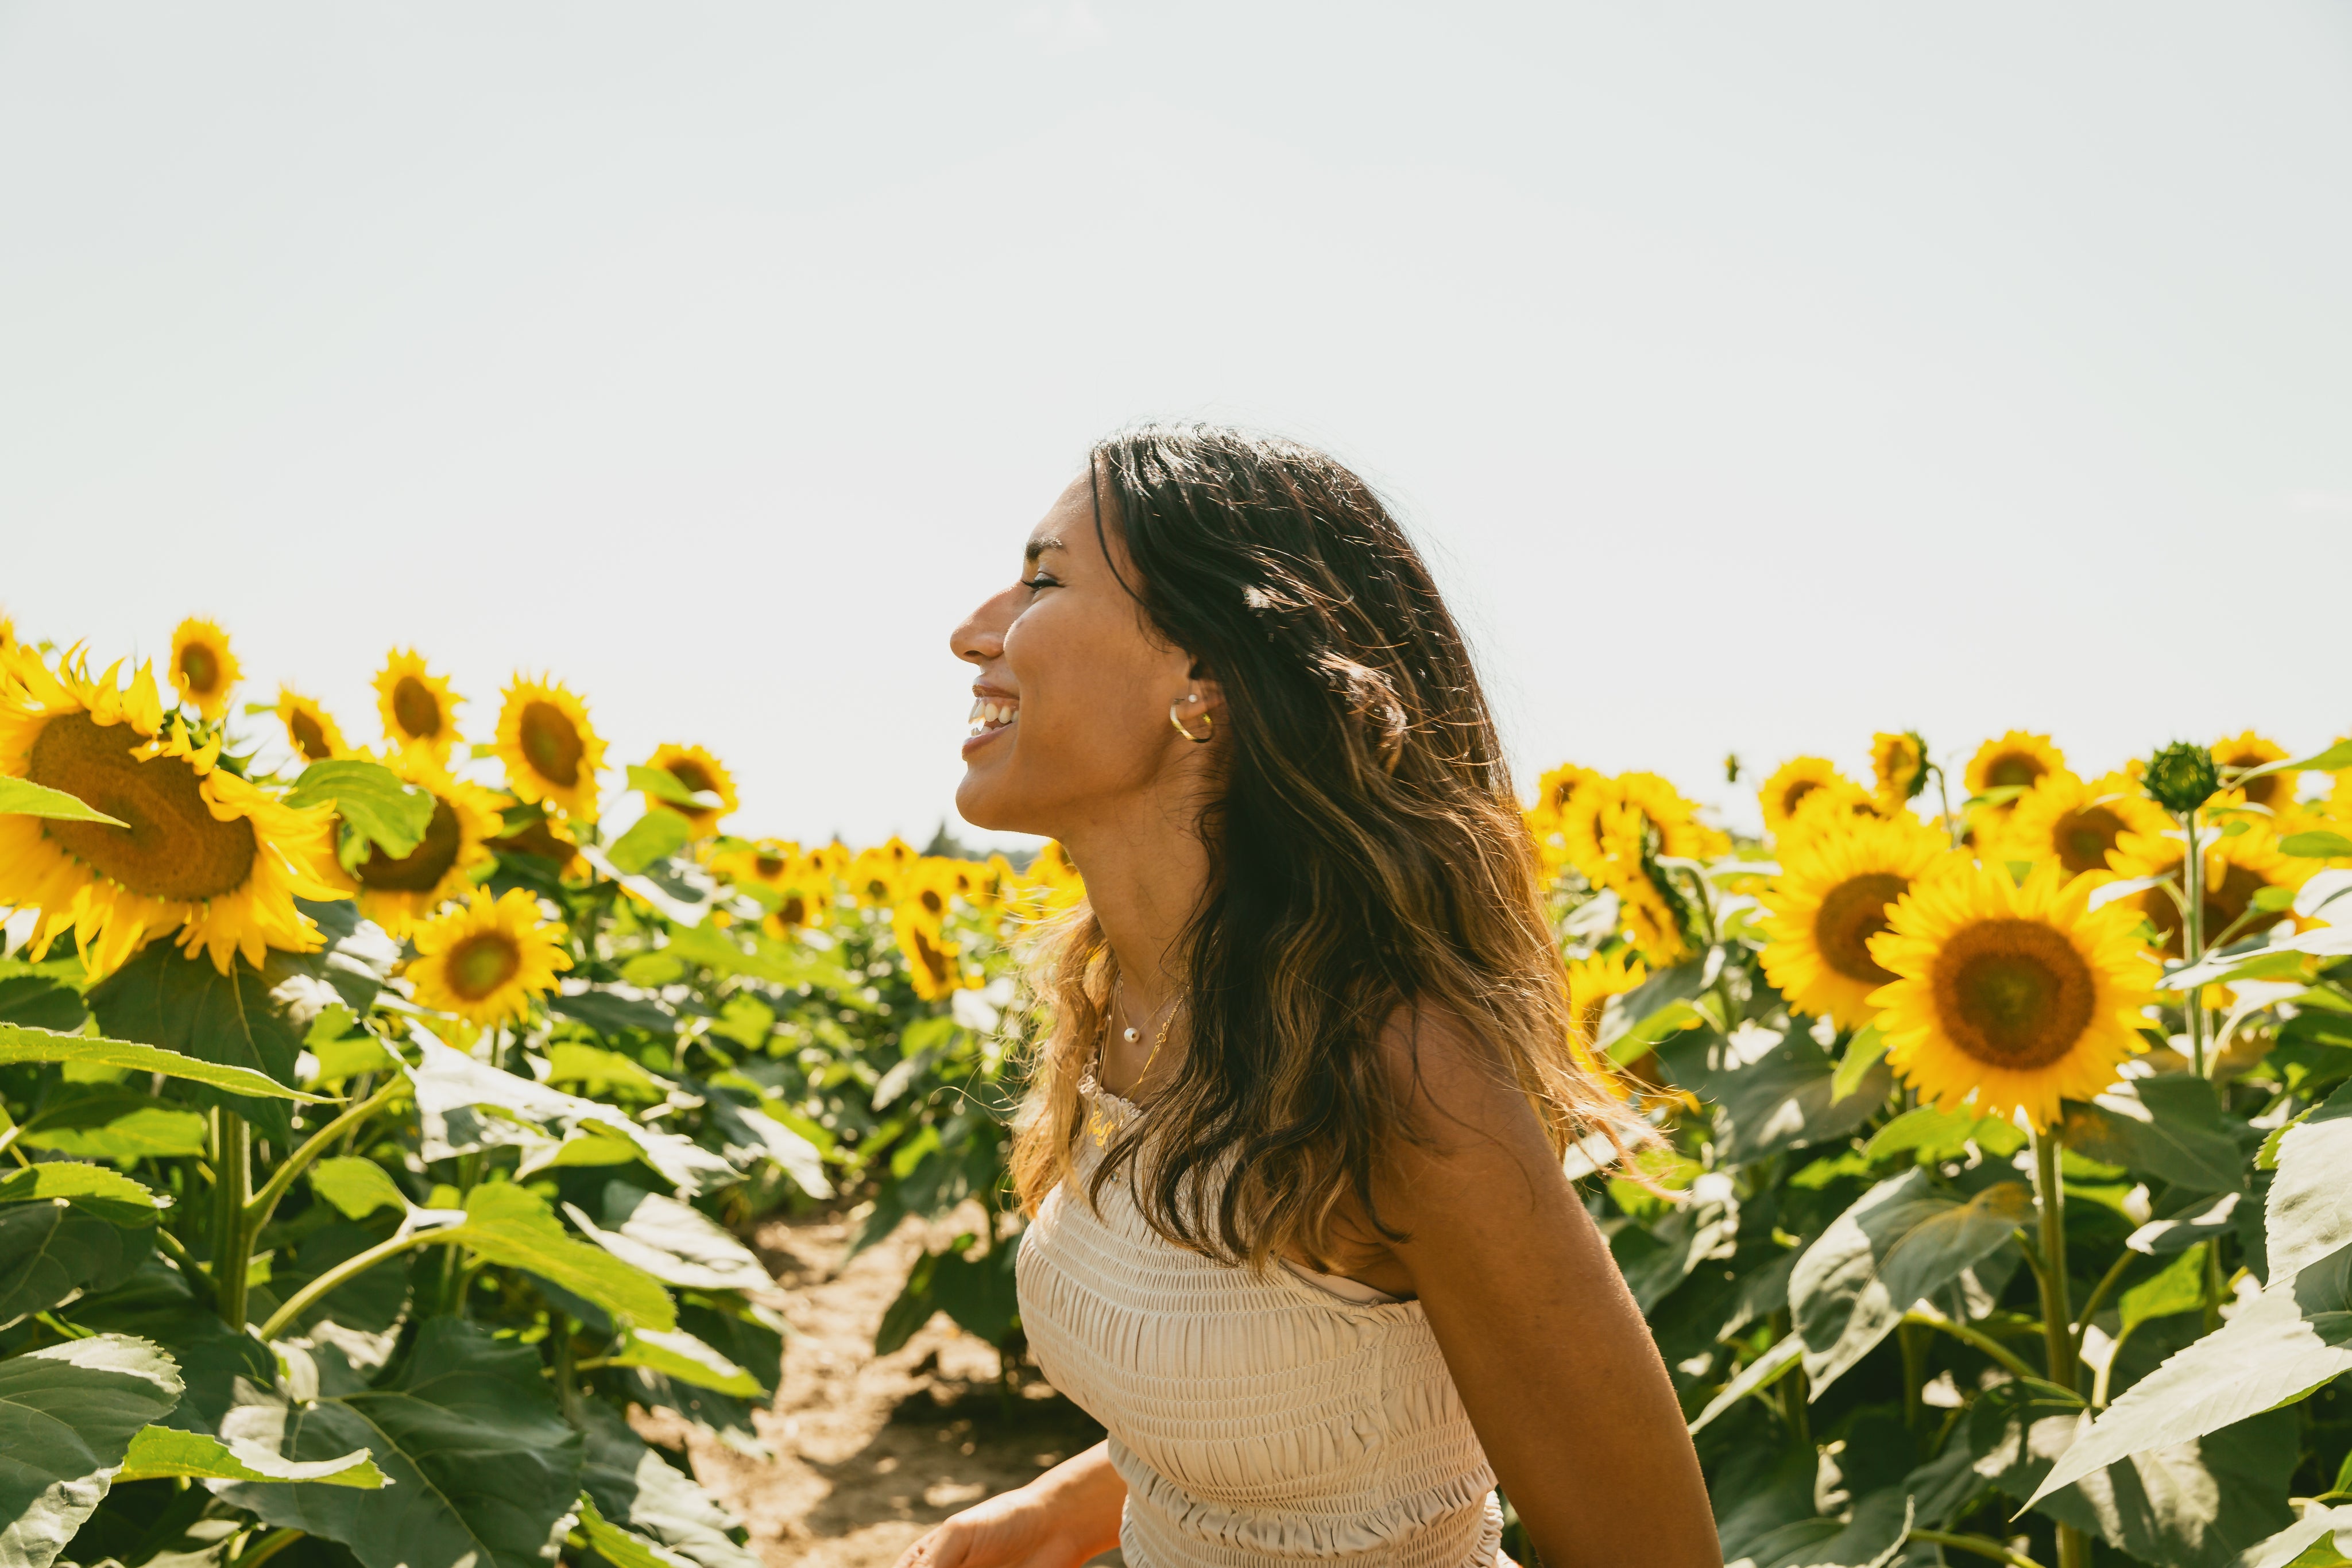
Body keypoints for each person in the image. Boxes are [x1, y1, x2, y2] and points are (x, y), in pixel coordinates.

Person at [901, 425, 1720, 1568]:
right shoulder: (1112, 995)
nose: (974, 629)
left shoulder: (1398, 1068)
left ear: (1207, 682)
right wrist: (1049, 1513)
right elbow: (1294, 1410)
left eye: (1042, 579)